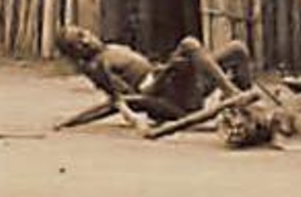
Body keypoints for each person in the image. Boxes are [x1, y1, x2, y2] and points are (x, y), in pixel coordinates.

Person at [53, 25, 252, 125]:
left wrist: (165, 69)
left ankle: (247, 112)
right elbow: (137, 98)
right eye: (78, 44)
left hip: (181, 86)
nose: (86, 40)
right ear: (75, 54)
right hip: (171, 98)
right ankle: (233, 93)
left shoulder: (112, 48)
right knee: (189, 44)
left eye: (82, 34)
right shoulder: (99, 65)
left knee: (237, 49)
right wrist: (167, 71)